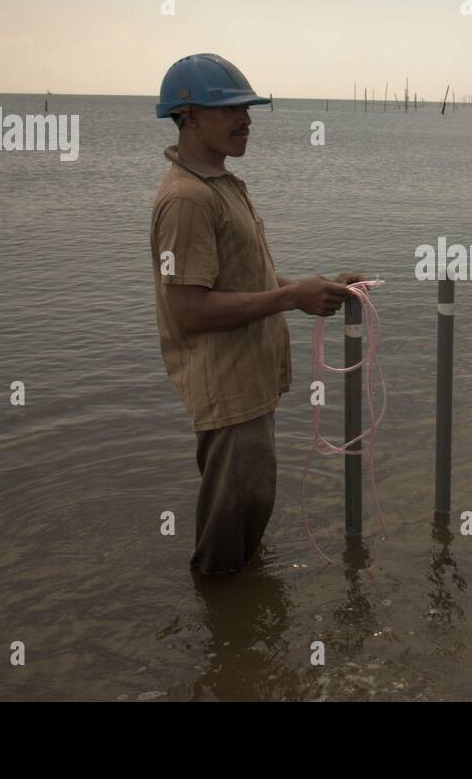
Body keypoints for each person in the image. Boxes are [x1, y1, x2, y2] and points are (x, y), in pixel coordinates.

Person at [149, 53, 360, 574]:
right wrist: (292, 298)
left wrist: (318, 287)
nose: (245, 120)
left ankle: (240, 631)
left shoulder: (221, 184)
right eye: (230, 110)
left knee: (248, 517)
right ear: (190, 115)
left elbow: (248, 282)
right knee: (226, 540)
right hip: (227, 389)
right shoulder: (188, 200)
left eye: (247, 108)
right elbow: (189, 310)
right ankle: (226, 638)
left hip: (249, 383)